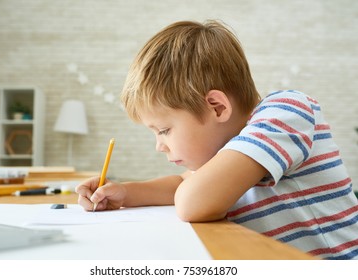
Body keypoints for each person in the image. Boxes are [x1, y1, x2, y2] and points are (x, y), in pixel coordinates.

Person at [76, 20, 358, 259]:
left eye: (164, 130)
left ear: (217, 108)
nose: (159, 146)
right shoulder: (225, 154)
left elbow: (191, 202)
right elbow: (184, 182)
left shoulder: (286, 112)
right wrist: (124, 193)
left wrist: (187, 189)